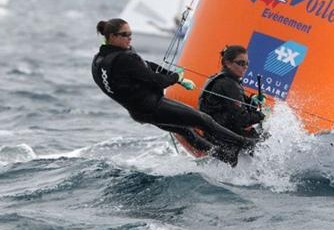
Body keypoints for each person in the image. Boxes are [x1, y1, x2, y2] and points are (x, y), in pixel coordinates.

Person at [92, 18, 257, 161]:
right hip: (153, 107)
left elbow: (146, 66)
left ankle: (224, 156)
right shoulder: (125, 58)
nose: (130, 38)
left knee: (186, 131)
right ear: (112, 37)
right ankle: (247, 144)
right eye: (125, 35)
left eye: (130, 33)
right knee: (204, 120)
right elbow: (157, 82)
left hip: (139, 112)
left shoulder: (100, 60)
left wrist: (169, 73)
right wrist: (176, 78)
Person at [198, 45, 269, 165]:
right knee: (266, 139)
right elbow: (243, 119)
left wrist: (253, 100)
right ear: (228, 63)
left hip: (215, 133)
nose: (245, 67)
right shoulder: (229, 84)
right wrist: (262, 116)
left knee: (261, 136)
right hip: (222, 138)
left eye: (247, 64)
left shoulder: (222, 78)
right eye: (241, 63)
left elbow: (238, 103)